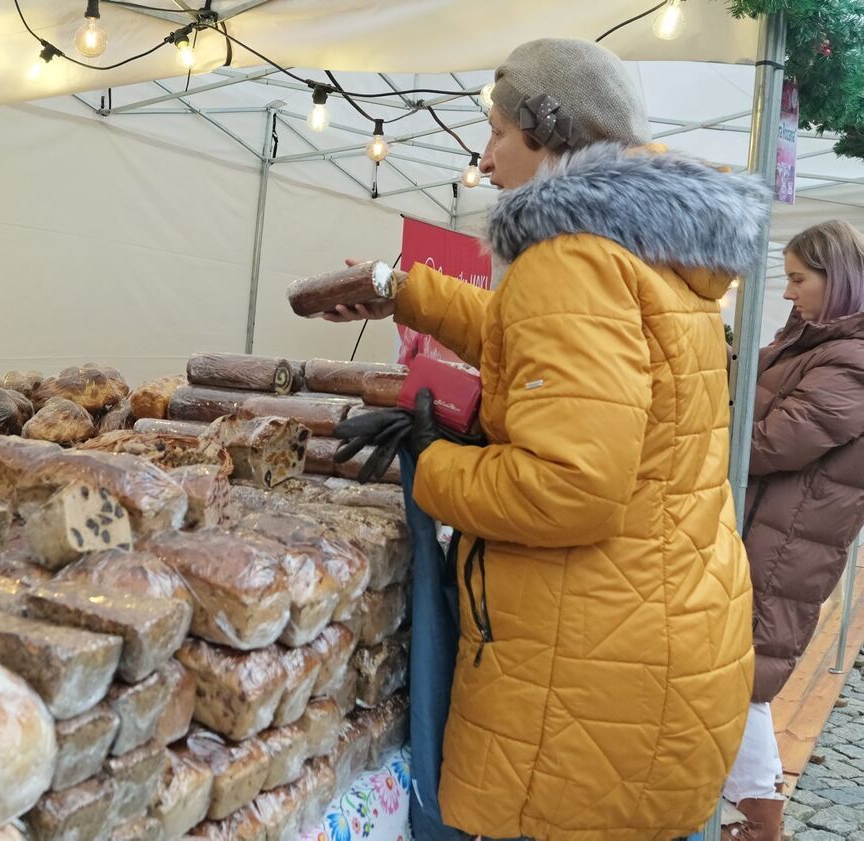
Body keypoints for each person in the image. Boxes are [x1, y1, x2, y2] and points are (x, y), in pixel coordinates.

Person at [325, 38, 763, 840]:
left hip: (589, 672)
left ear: (548, 130)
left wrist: (430, 468)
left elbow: (568, 487)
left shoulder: (571, 259)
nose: (485, 157)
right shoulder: (644, 244)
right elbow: (551, 341)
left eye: (497, 132)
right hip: (658, 634)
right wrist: (408, 294)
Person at [721, 220, 864, 841]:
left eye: (799, 279)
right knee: (734, 670)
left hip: (783, 545)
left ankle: (762, 825)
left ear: (839, 282)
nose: (787, 294)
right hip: (769, 531)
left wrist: (693, 435)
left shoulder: (852, 359)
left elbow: (771, 441)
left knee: (745, 675)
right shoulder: (810, 342)